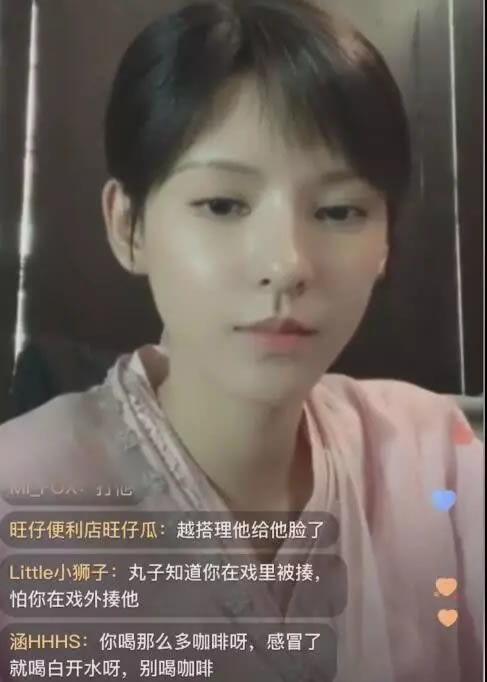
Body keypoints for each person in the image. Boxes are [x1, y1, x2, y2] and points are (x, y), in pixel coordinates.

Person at [0, 1, 482, 680]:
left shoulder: (435, 459)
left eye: (338, 211)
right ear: (128, 225)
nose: (286, 264)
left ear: (384, 244)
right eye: (223, 204)